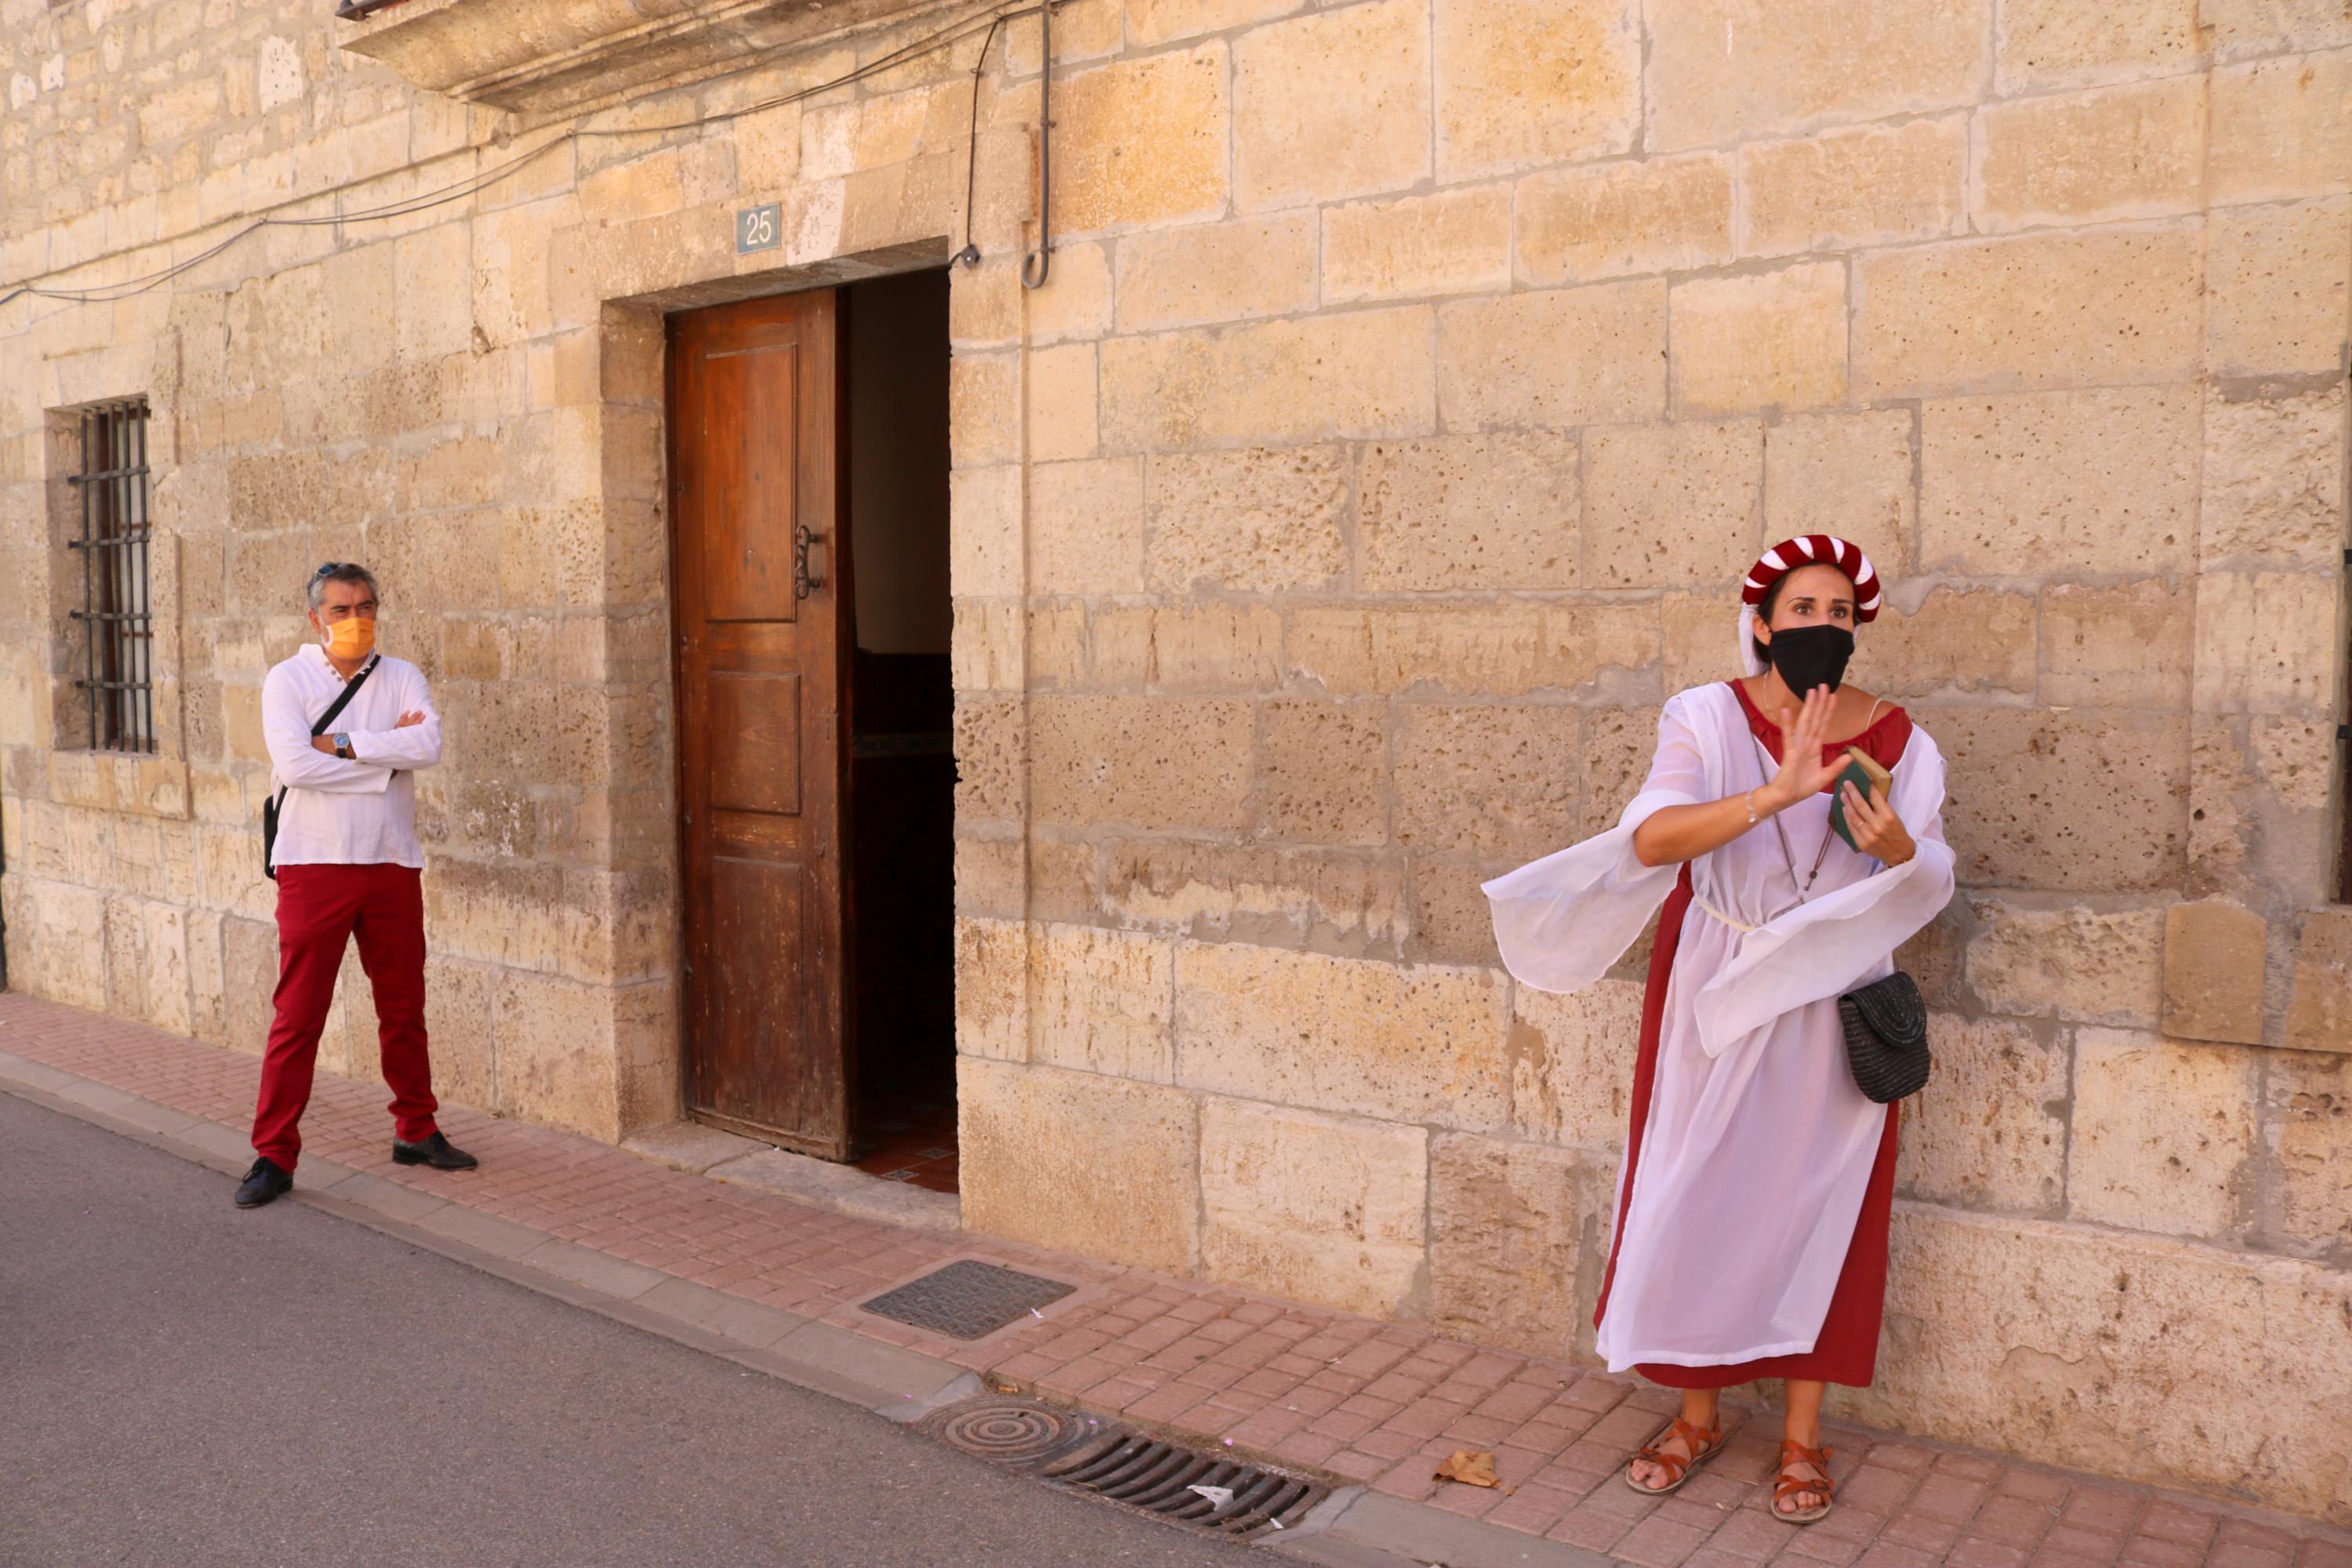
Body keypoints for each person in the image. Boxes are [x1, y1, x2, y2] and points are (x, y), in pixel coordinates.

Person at [1483, 535, 1956, 1524]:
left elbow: (1926, 873)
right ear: (1763, 624)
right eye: (1802, 610)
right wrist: (1774, 794)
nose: (1822, 626)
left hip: (1832, 992)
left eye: (1839, 613)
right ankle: (1696, 1414)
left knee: (1823, 1204)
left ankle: (1802, 1436)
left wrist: (1902, 847)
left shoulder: (1904, 741)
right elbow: (1654, 837)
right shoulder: (1704, 716)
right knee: (1697, 1185)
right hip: (1713, 977)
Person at [235, 562, 477, 1209]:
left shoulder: (401, 675)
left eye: (365, 607)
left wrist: (340, 744)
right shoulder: (288, 680)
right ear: (316, 618)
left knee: (403, 1007)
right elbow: (295, 764)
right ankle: (273, 1154)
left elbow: (427, 745)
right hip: (314, 863)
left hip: (391, 860)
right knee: (298, 1015)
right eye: (341, 610)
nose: (355, 620)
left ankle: (416, 1130)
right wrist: (380, 763)